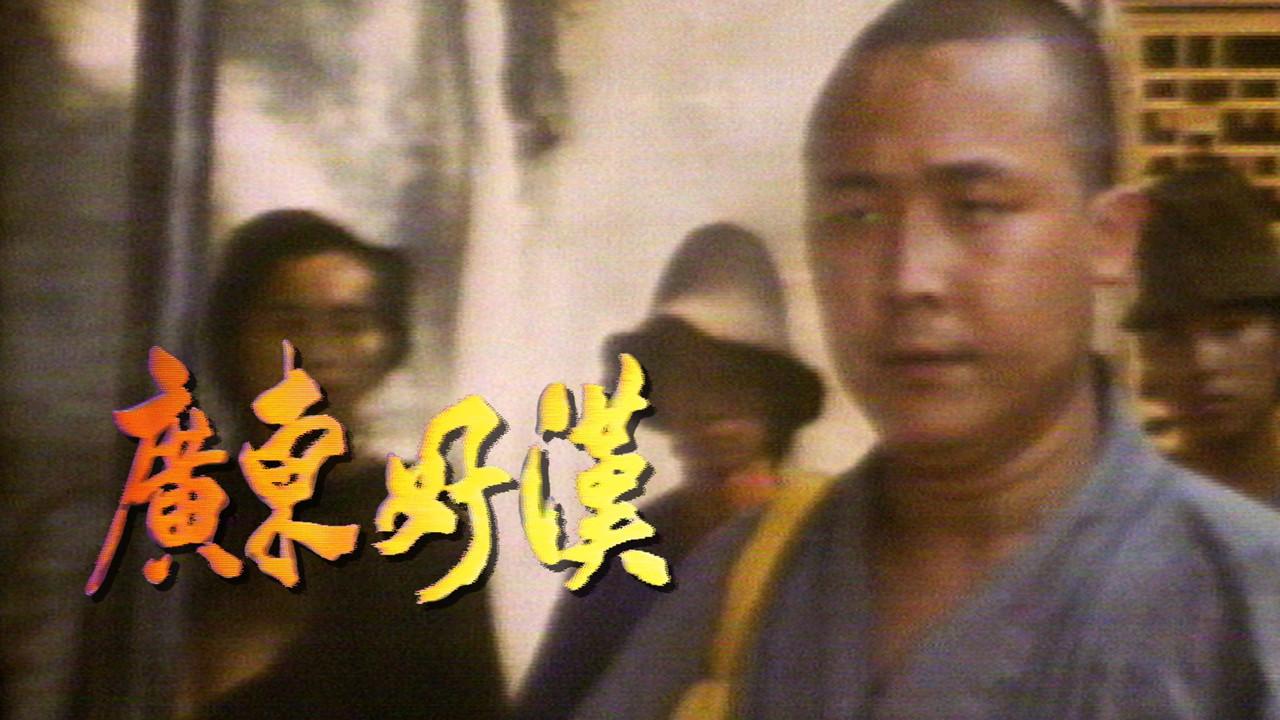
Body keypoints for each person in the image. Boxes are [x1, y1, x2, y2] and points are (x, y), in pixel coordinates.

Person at [571, 2, 1280, 719]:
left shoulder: (1248, 601)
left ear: (1109, 240)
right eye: (857, 216)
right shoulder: (743, 581)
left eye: (976, 207)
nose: (908, 277)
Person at [188, 209, 506, 719]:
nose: (317, 352)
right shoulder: (190, 510)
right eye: (288, 325)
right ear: (233, 341)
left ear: (387, 350)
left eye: (349, 326)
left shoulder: (421, 525)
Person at [509, 223, 825, 720]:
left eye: (733, 377)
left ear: (774, 394)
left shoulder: (830, 541)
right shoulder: (617, 559)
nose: (709, 404)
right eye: (688, 377)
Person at [1125, 166, 1280, 504]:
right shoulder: (1122, 518)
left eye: (1230, 329)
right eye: (1172, 336)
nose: (1202, 362)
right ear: (1148, 355)